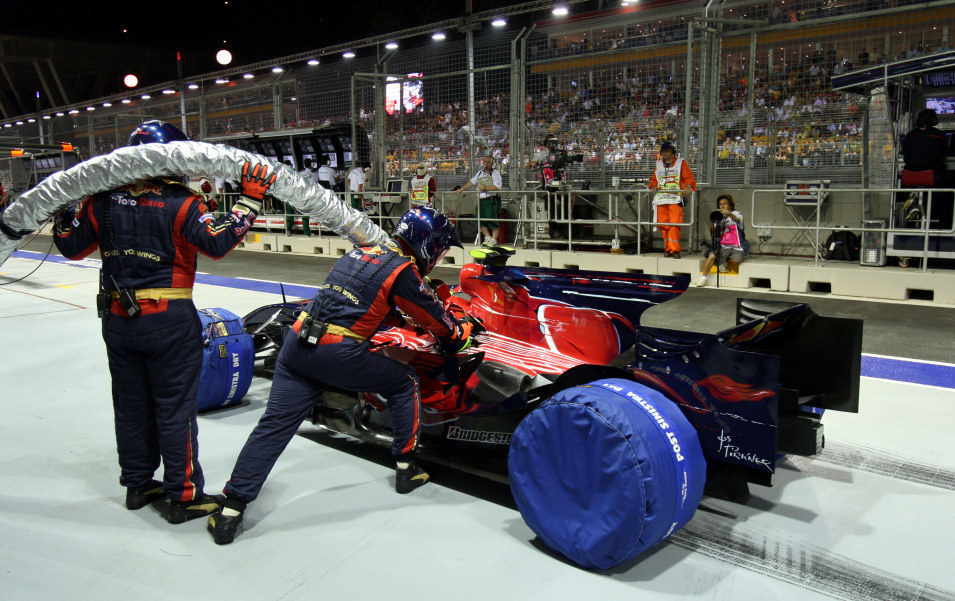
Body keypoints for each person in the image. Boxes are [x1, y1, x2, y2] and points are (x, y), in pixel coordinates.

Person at [207, 206, 474, 545]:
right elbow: (444, 329)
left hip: (297, 343)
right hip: (336, 352)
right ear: (429, 245)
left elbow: (359, 304)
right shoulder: (403, 271)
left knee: (273, 426)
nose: (442, 255)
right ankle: (407, 468)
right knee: (403, 381)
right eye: (443, 249)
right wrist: (462, 329)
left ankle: (231, 510)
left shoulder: (362, 252)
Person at [51, 120, 271, 524]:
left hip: (117, 321)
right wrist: (250, 201)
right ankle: (183, 496)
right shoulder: (181, 202)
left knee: (131, 406)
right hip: (169, 321)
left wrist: (63, 206)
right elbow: (217, 242)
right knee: (174, 409)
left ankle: (137, 485)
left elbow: (69, 245)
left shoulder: (100, 201)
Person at [901, 108, 954, 230]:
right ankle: (943, 220)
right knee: (948, 186)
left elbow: (905, 156)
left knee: (918, 186)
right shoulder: (941, 136)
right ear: (934, 121)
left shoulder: (909, 136)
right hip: (931, 177)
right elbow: (944, 159)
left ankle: (913, 203)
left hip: (909, 177)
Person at [648, 141, 696, 259]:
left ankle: (674, 250)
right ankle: (668, 249)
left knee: (674, 224)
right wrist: (653, 186)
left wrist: (688, 186)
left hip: (675, 199)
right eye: (663, 151)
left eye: (667, 151)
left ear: (672, 152)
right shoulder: (658, 164)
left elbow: (688, 177)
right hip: (661, 199)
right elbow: (654, 180)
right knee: (664, 225)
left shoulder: (681, 163)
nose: (664, 153)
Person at [697, 194, 747, 287]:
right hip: (723, 246)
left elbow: (737, 220)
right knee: (712, 256)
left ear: (730, 205)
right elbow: (712, 233)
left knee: (735, 262)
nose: (723, 206)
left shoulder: (737, 214)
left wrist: (729, 214)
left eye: (725, 204)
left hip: (737, 247)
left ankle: (723, 263)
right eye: (720, 204)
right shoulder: (718, 216)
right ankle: (703, 278)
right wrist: (713, 219)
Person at [454, 156, 502, 245]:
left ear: (492, 164)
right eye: (485, 162)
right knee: (479, 219)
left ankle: (494, 239)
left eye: (489, 162)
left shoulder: (495, 174)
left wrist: (485, 188)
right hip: (481, 200)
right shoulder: (480, 173)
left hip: (491, 200)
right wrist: (462, 189)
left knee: (493, 220)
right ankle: (487, 237)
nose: (486, 164)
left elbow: (497, 187)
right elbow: (472, 182)